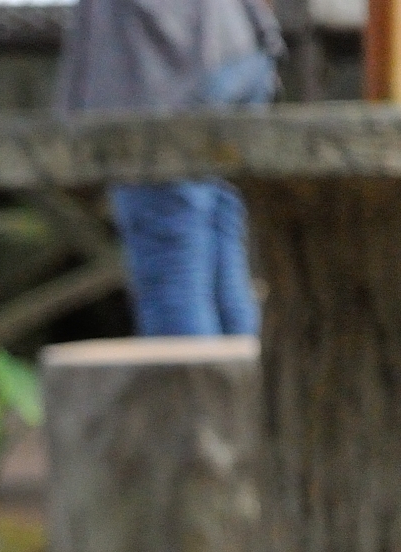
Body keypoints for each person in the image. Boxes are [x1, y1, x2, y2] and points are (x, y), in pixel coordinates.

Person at [55, 0, 284, 336]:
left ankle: (192, 388)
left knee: (173, 264)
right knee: (221, 257)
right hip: (237, 41)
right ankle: (253, 388)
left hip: (166, 62)